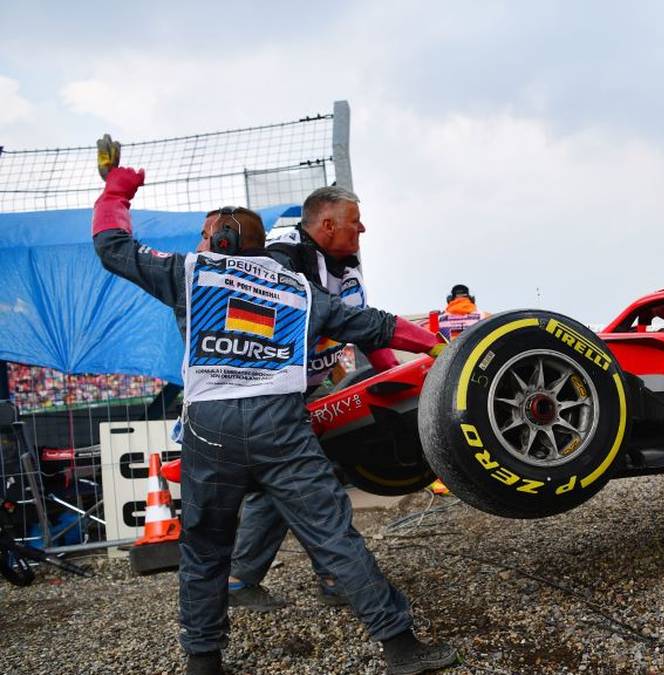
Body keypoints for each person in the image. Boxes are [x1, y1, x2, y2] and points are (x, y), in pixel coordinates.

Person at [91, 158, 457, 674]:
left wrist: (116, 191)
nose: (199, 242)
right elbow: (377, 326)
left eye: (204, 234)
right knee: (333, 537)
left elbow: (112, 247)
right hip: (282, 427)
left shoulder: (190, 272)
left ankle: (203, 663)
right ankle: (401, 648)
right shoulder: (303, 292)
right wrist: (442, 346)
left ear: (221, 241)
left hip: (210, 430)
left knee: (204, 550)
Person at [226, 186, 396, 612]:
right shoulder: (280, 258)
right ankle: (336, 574)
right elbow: (303, 316)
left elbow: (363, 325)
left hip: (303, 387)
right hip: (264, 393)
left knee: (282, 484)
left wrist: (393, 375)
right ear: (327, 224)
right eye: (354, 220)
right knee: (312, 481)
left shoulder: (347, 266)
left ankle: (240, 578)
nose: (363, 228)